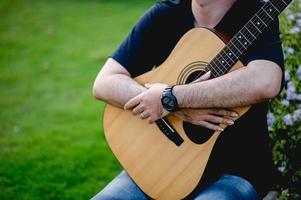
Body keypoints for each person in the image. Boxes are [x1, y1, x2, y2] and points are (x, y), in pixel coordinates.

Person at [92, 0, 284, 199]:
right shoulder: (167, 13)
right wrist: (168, 105)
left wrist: (173, 97)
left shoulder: (257, 14)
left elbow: (266, 81)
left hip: (234, 173)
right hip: (157, 166)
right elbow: (104, 82)